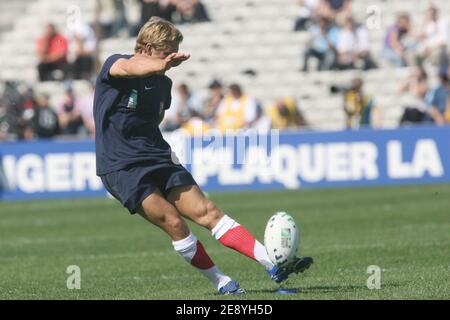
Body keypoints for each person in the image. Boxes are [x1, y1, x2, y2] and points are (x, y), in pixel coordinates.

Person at [93, 17, 313, 295]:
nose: (171, 57)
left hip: (158, 156)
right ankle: (222, 282)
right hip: (121, 166)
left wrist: (162, 68)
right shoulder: (115, 64)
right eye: (166, 51)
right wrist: (161, 64)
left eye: (174, 51)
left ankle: (274, 265)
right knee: (174, 222)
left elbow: (155, 118)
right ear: (148, 48)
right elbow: (131, 66)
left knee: (208, 212)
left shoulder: (163, 84)